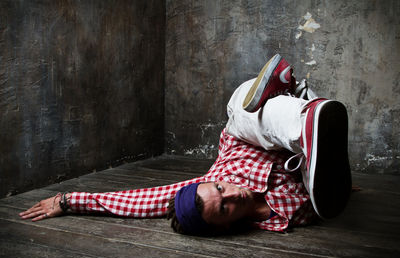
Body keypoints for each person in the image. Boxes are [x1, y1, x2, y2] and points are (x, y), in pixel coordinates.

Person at [19, 54, 352, 236]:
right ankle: (303, 107)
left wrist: (67, 199)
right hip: (302, 144)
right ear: (226, 227)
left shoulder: (223, 170)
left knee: (244, 107)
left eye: (220, 188)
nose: (232, 193)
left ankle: (296, 108)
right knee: (314, 176)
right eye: (224, 208)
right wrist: (339, 186)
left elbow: (136, 201)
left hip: (251, 119)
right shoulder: (282, 218)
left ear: (212, 179)